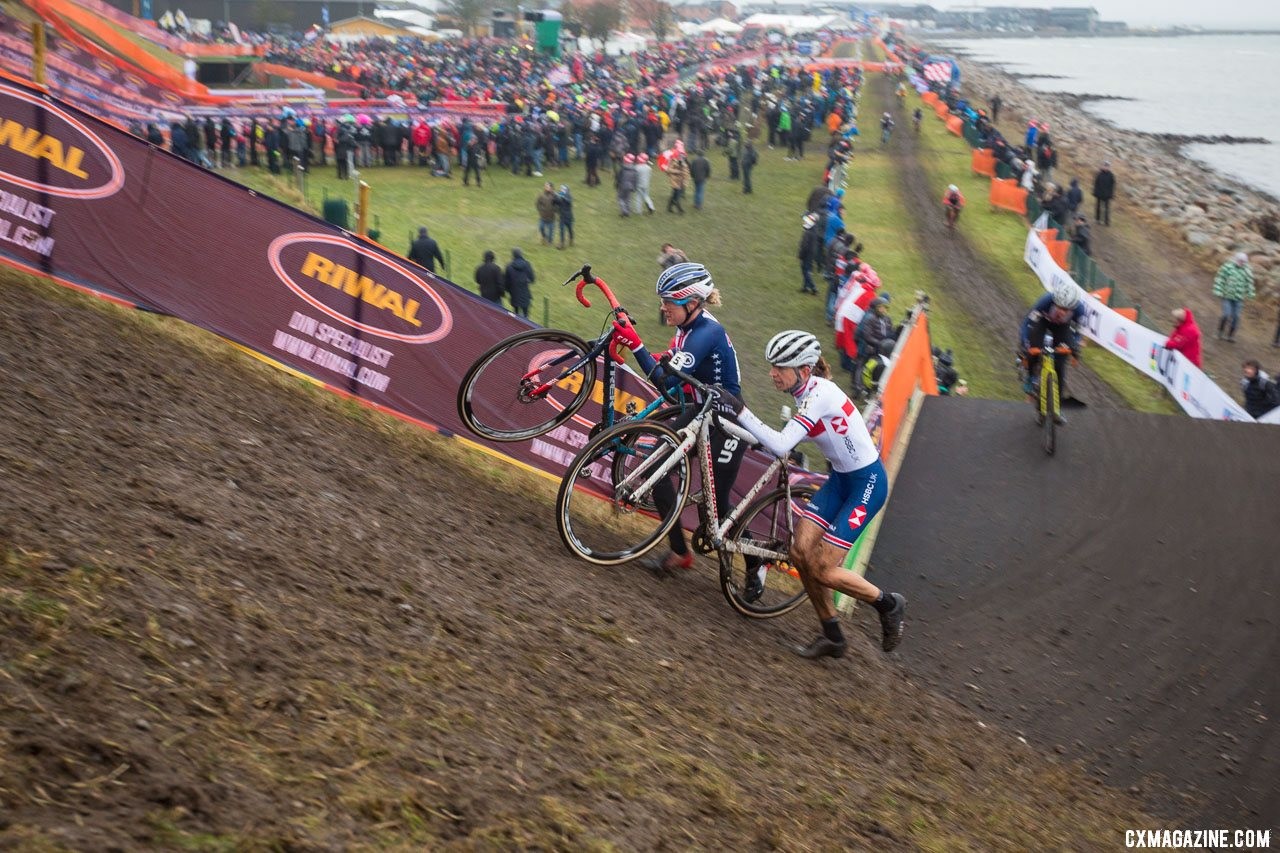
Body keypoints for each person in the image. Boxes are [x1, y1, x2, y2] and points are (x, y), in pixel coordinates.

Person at [707, 331, 906, 659]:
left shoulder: (820, 395)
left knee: (824, 568)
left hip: (867, 484)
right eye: (772, 366)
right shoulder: (805, 395)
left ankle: (889, 603)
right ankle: (832, 635)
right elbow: (781, 441)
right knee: (800, 553)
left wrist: (740, 410)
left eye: (779, 367)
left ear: (803, 370)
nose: (772, 373)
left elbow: (783, 444)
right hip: (841, 479)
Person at [608, 263, 748, 574]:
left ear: (691, 302)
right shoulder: (687, 328)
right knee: (656, 466)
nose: (663, 308)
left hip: (728, 423)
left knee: (717, 507)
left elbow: (665, 382)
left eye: (668, 302)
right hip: (702, 412)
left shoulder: (707, 333)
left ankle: (756, 565)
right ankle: (679, 552)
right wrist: (647, 353)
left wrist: (637, 344)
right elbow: (672, 367)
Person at [1019, 282, 1086, 421]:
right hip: (1042, 323)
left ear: (1072, 307)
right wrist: (1026, 345)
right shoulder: (1046, 301)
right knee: (1033, 347)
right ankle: (1031, 377)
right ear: (1054, 302)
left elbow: (1078, 332)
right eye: (1059, 306)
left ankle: (1057, 409)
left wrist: (1074, 348)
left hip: (1062, 328)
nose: (1061, 311)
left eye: (1065, 309)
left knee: (1060, 366)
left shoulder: (1079, 309)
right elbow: (1027, 324)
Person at [1213, 252, 1255, 342]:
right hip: (1227, 296)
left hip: (1239, 298)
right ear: (1236, 259)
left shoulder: (1247, 271)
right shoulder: (1227, 267)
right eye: (1240, 261)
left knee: (1236, 316)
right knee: (1226, 314)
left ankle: (1231, 335)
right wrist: (1218, 290)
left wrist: (1250, 293)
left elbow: (1249, 283)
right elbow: (1220, 279)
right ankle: (1220, 332)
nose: (1241, 263)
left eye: (1243, 261)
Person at [503, 248, 535, 319]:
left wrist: (508, 290)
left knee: (516, 316)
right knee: (526, 316)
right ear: (521, 254)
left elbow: (506, 282)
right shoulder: (527, 264)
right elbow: (532, 279)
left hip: (514, 294)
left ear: (513, 255)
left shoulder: (509, 266)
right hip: (525, 293)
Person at [665, 142, 690, 213]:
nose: (681, 156)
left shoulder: (684, 161)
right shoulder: (672, 161)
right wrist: (677, 171)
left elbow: (686, 170)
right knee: (677, 195)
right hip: (675, 180)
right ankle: (680, 209)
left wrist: (685, 176)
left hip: (681, 180)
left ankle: (669, 207)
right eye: (680, 155)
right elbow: (668, 170)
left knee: (674, 195)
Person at [1092, 160, 1116, 226]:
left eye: (1107, 166)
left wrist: (1111, 195)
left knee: (1107, 209)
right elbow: (1096, 184)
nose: (1105, 167)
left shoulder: (1111, 176)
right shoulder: (1099, 174)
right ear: (1102, 166)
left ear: (1109, 167)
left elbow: (1112, 186)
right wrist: (1094, 192)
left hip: (1107, 195)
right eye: (1104, 166)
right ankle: (1097, 219)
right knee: (1098, 207)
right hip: (1099, 194)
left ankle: (1106, 222)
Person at [554, 185, 574, 250]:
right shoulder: (559, 196)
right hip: (562, 217)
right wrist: (555, 196)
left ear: (567, 190)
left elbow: (569, 202)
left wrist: (562, 196)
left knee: (570, 229)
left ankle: (571, 239)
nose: (562, 190)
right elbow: (555, 203)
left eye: (563, 189)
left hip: (568, 217)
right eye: (561, 189)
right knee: (562, 230)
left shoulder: (569, 196)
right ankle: (562, 244)